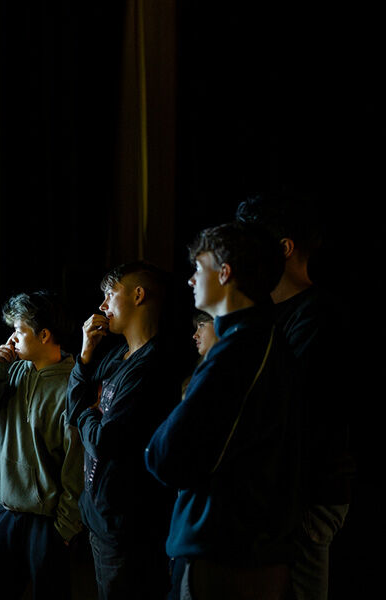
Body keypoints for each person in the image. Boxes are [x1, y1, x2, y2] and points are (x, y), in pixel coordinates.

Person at [145, 222, 300, 600]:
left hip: (222, 551)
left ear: (224, 271)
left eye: (199, 268)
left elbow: (166, 456)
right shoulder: (260, 341)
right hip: (236, 547)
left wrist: (157, 446)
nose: (190, 280)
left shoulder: (240, 350)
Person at [236, 192, 354, 600]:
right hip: (279, 495)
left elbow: (280, 405)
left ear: (283, 248)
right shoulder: (267, 315)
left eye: (250, 243)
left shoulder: (319, 317)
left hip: (306, 497)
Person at [67, 261, 182, 599]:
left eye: (109, 295)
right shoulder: (116, 356)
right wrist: (85, 355)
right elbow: (71, 411)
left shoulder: (152, 366)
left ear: (138, 295)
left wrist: (87, 415)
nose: (102, 306)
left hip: (128, 526)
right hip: (99, 517)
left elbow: (104, 441)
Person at [0, 291, 84, 600]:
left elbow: (77, 464)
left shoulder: (72, 385)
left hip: (47, 525)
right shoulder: (13, 370)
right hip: (4, 513)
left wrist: (64, 528)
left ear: (44, 335)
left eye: (19, 330)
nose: (12, 339)